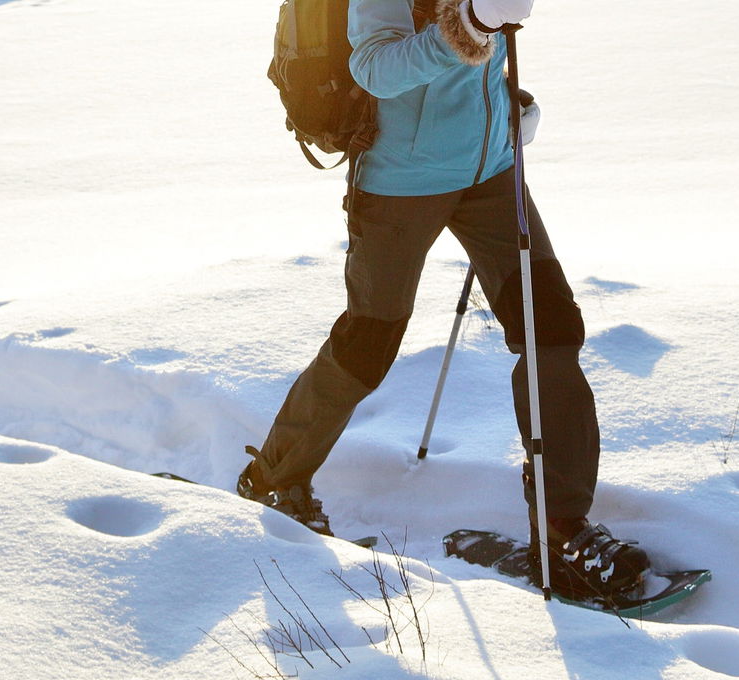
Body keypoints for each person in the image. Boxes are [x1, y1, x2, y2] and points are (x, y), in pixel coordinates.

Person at [238, 0, 650, 598]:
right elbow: (375, 69)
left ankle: (562, 528)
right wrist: (472, 26)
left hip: (492, 172)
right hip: (400, 181)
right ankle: (275, 478)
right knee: (368, 343)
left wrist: (508, 101)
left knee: (551, 330)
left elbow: (483, 58)